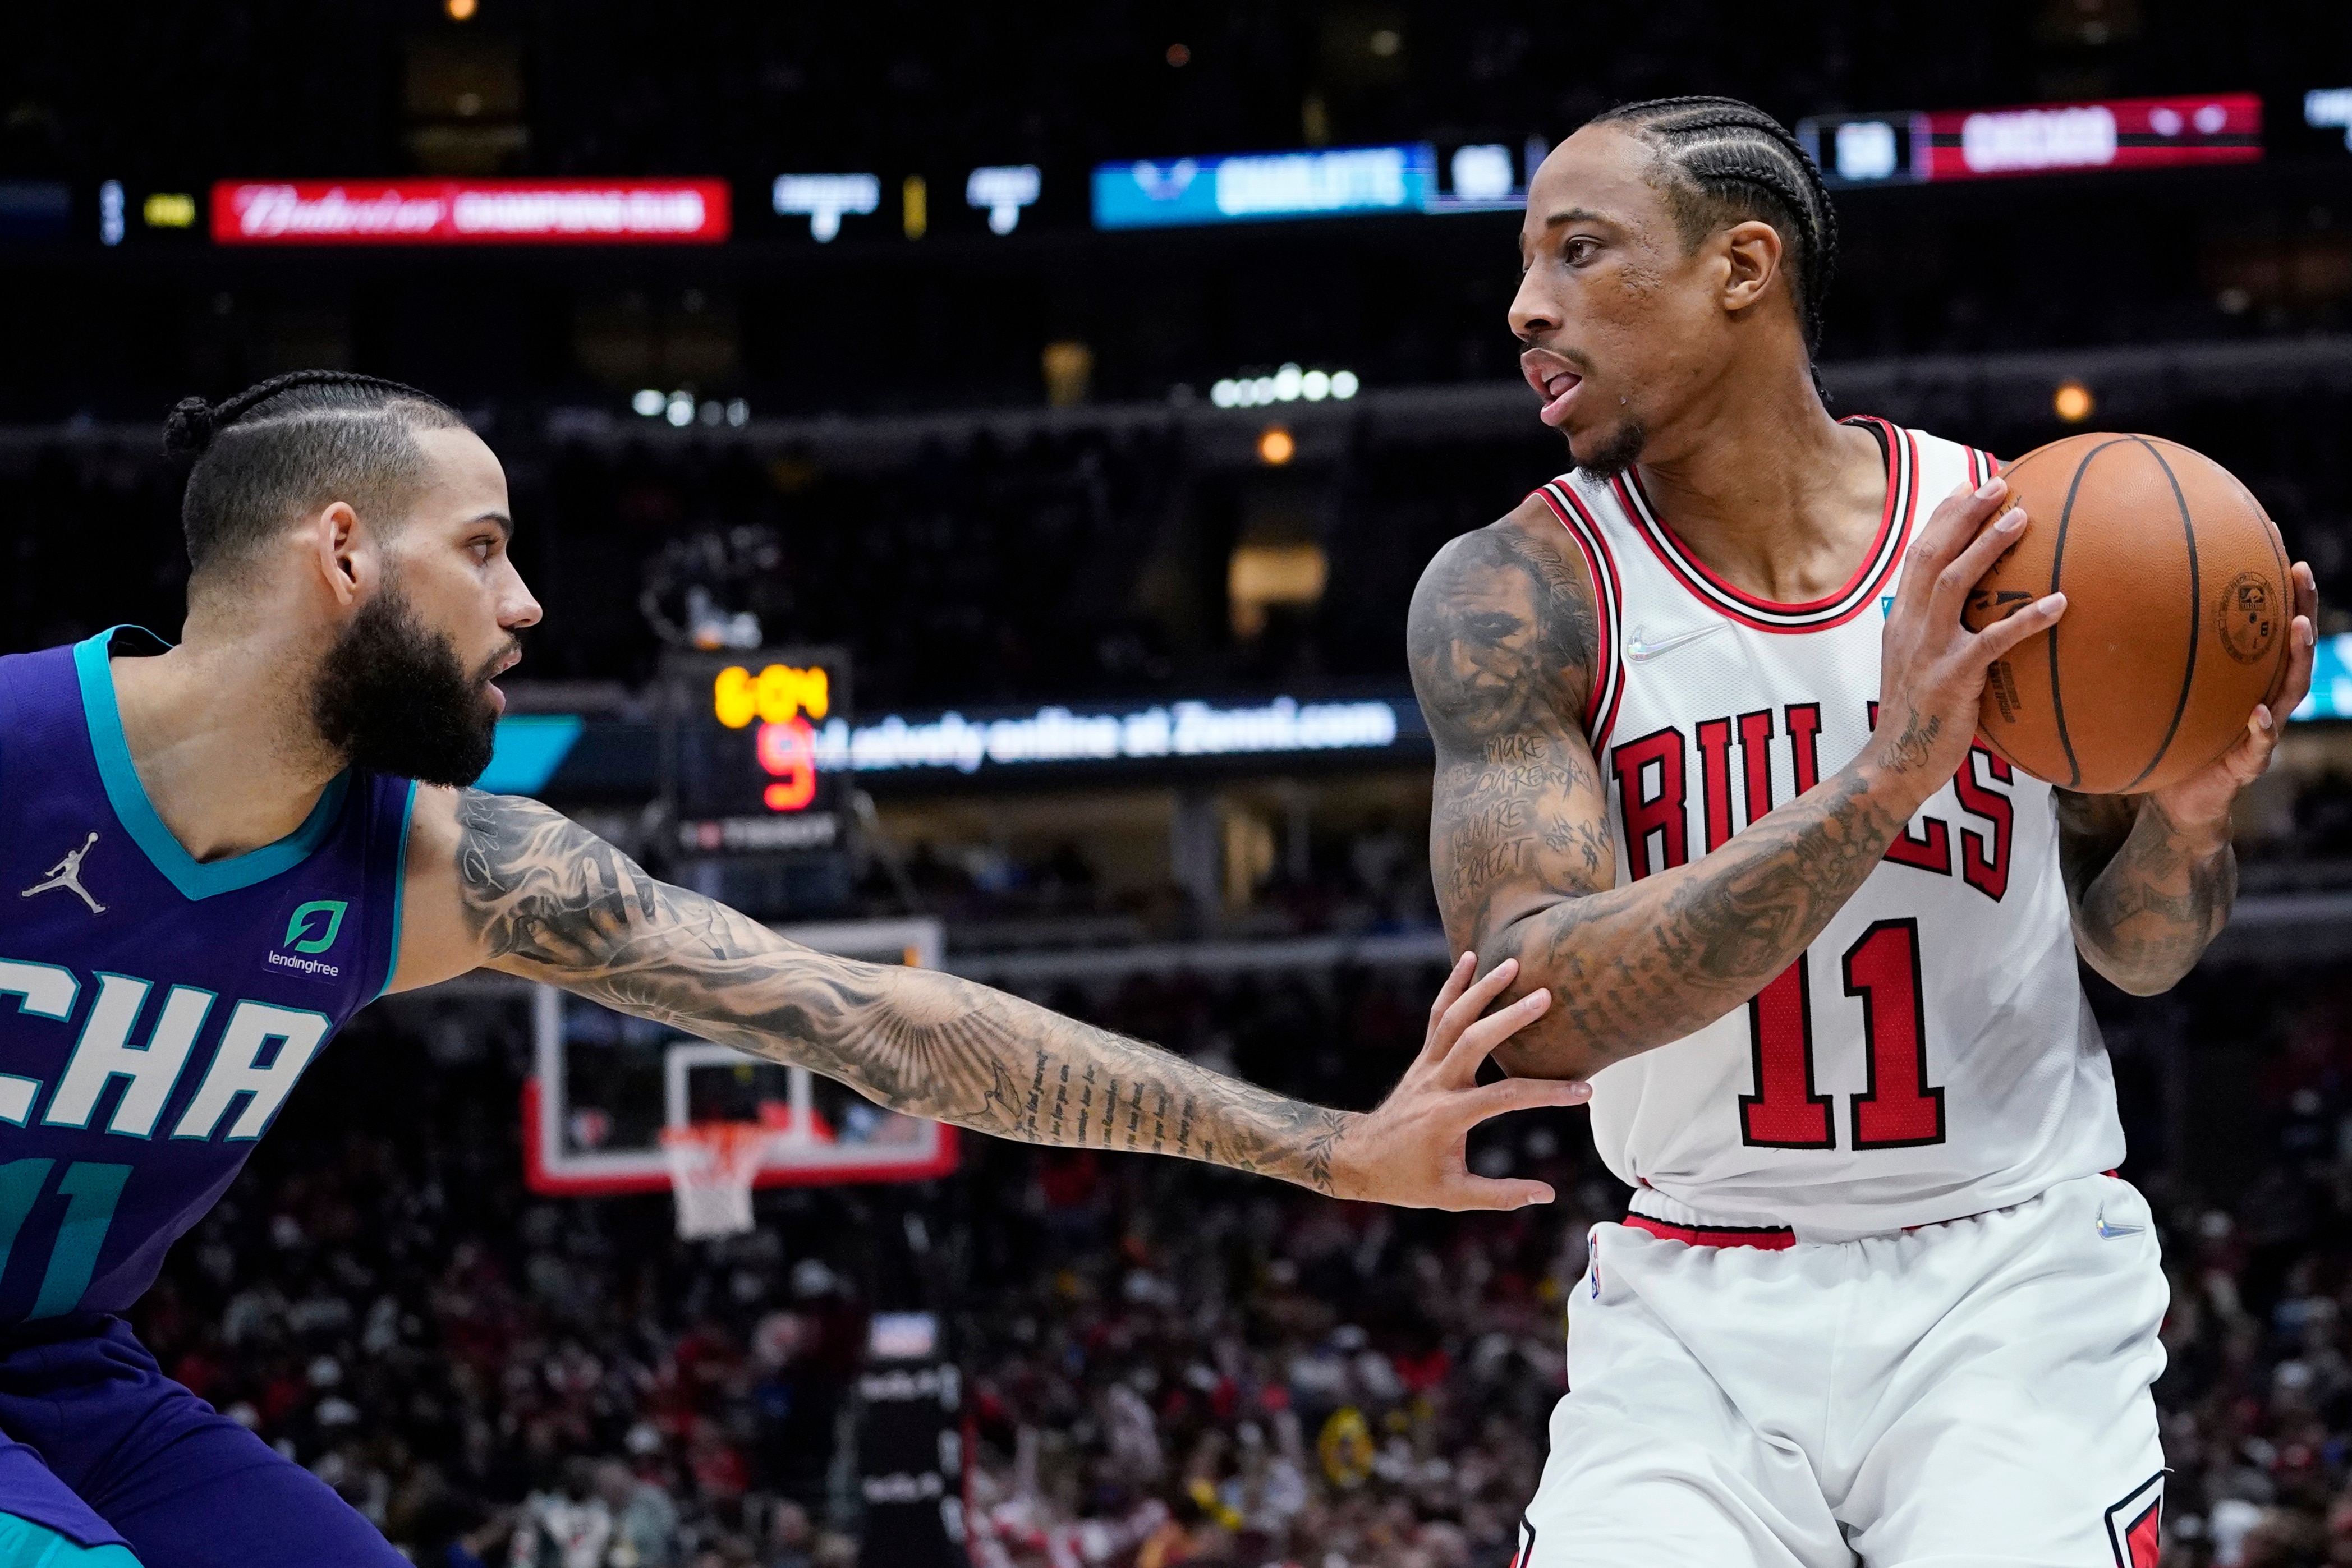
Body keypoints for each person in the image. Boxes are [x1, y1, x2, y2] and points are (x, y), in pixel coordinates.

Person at [0, 371, 1586, 1566]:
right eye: (482, 548)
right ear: (341, 550)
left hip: (72, 1374)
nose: (526, 601)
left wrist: (1326, 1143)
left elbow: (891, 1026)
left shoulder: (441, 867)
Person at [1404, 96, 2321, 1565]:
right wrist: (1880, 782)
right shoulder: (1520, 594)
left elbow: (2143, 950)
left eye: (1579, 252)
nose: (1527, 307)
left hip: (2008, 1278)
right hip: (1696, 1308)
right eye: (1527, 263)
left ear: (1743, 266)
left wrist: (2185, 817)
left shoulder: (2011, 536)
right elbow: (1539, 1011)